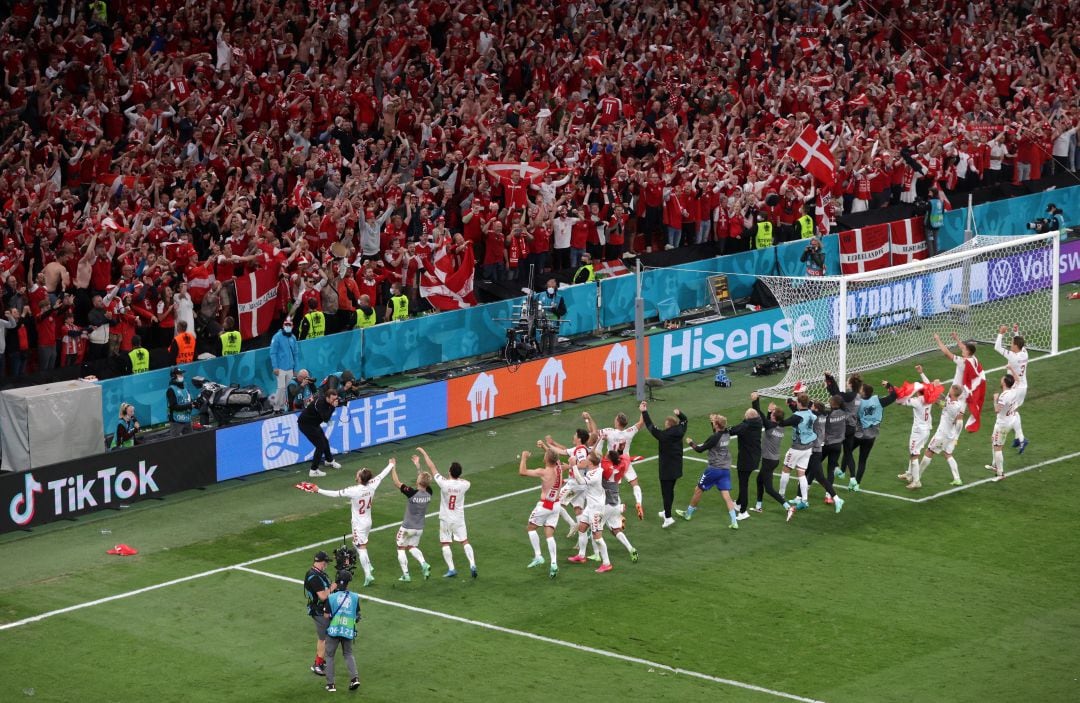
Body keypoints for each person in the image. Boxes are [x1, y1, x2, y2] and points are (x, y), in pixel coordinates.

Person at [308, 460, 396, 587]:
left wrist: (318, 490)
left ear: (360, 478)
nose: (356, 473)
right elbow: (382, 475)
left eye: (358, 473)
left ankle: (368, 574)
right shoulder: (372, 484)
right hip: (368, 521)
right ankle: (369, 566)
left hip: (358, 523)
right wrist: (391, 464)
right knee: (356, 543)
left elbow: (335, 494)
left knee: (361, 548)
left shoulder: (354, 490)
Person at [414, 447, 477, 579]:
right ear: (459, 473)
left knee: (445, 543)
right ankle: (472, 564)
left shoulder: (444, 483)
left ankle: (452, 569)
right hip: (459, 518)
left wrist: (425, 453)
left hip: (445, 518)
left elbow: (432, 468)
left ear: (449, 471)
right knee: (465, 541)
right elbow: (464, 481)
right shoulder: (465, 485)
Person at [677, 414, 739, 530]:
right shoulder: (726, 433)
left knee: (698, 490)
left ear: (716, 425)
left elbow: (700, 449)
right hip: (725, 470)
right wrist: (713, 421)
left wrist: (691, 442)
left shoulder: (714, 438)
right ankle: (734, 521)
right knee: (726, 495)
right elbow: (717, 433)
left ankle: (688, 514)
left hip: (713, 469)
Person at [583, 410, 646, 519]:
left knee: (611, 487)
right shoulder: (629, 432)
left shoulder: (609, 432)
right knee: (635, 483)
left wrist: (588, 418)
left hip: (611, 463)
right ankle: (639, 502)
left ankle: (618, 511)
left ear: (617, 422)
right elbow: (641, 422)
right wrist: (642, 410)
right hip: (625, 461)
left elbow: (593, 432)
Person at [914, 364, 967, 487]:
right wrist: (924, 375)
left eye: (951, 390)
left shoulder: (950, 405)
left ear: (953, 393)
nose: (949, 390)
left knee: (929, 452)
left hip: (942, 434)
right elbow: (940, 396)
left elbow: (936, 398)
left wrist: (935, 385)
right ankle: (957, 478)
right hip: (950, 434)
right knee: (947, 454)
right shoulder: (957, 403)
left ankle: (917, 478)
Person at [641, 400, 687, 528]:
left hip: (666, 469)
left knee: (666, 493)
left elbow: (651, 427)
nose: (664, 425)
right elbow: (685, 420)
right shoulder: (680, 430)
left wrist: (644, 412)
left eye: (665, 424)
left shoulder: (664, 436)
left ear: (668, 425)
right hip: (676, 468)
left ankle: (668, 518)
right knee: (670, 491)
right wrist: (680, 414)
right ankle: (666, 511)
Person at [565, 452, 613, 573]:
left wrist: (573, 465)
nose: (584, 461)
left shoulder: (595, 474)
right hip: (590, 507)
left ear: (591, 463)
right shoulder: (597, 468)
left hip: (597, 509)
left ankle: (607, 563)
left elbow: (581, 481)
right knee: (582, 528)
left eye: (587, 459)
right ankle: (581, 555)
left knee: (597, 537)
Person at [519, 448, 563, 579]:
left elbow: (522, 472)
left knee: (531, 527)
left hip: (545, 505)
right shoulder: (559, 468)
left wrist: (524, 457)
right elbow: (558, 460)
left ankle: (538, 556)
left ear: (547, 459)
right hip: (556, 504)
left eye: (545, 455)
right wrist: (546, 448)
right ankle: (554, 563)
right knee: (549, 534)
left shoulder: (543, 472)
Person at [750, 394, 797, 513]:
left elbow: (759, 415)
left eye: (772, 414)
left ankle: (787, 507)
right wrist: (770, 411)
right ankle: (758, 506)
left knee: (769, 489)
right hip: (773, 460)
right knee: (759, 480)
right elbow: (767, 423)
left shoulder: (771, 425)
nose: (770, 415)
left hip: (768, 460)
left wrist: (756, 400)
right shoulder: (780, 426)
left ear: (774, 417)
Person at [775, 393, 817, 521]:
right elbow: (799, 417)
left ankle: (781, 494)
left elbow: (783, 423)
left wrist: (776, 414)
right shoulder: (811, 414)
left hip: (797, 448)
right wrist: (792, 407)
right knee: (801, 473)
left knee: (786, 469)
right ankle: (804, 500)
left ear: (799, 403)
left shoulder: (797, 416)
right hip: (808, 446)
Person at [894, 378, 942, 487]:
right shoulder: (930, 398)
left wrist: (901, 392)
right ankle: (909, 474)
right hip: (926, 430)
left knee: (914, 454)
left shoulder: (917, 400)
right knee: (914, 451)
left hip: (918, 431)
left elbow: (900, 402)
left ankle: (916, 481)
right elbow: (932, 388)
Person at [390, 461, 433, 582]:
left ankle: (406, 574)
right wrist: (418, 467)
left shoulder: (411, 493)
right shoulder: (429, 493)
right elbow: (424, 482)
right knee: (412, 546)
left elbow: (396, 482)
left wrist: (392, 467)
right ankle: (423, 563)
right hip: (419, 528)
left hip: (407, 527)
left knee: (400, 548)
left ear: (418, 481)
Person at [850, 382, 898, 490]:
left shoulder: (858, 403)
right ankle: (857, 484)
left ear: (864, 392)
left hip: (859, 434)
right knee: (863, 460)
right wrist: (889, 385)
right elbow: (894, 396)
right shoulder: (879, 401)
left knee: (848, 452)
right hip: (871, 436)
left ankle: (848, 475)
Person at [323, 569, 361, 693]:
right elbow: (357, 615)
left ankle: (331, 685)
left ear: (337, 582)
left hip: (333, 631)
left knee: (329, 656)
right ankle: (354, 678)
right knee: (348, 654)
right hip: (348, 631)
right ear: (348, 583)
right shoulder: (355, 597)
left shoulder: (332, 597)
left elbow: (326, 615)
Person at [994, 324, 1029, 453]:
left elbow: (997, 347)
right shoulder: (1025, 353)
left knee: (1012, 412)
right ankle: (1018, 438)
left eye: (1012, 343)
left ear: (1015, 346)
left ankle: (1021, 438)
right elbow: (1021, 343)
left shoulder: (1012, 356)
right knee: (1014, 411)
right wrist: (1016, 332)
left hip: (1016, 387)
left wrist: (1001, 333)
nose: (1010, 344)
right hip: (1023, 385)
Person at [599, 449, 638, 563]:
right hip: (615, 504)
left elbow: (598, 462)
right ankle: (631, 548)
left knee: (595, 530)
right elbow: (625, 458)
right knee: (615, 529)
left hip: (606, 506)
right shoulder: (621, 465)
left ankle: (597, 555)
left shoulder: (605, 469)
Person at [303, 550, 335, 677]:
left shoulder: (318, 573)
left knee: (325, 638)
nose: (326, 565)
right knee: (324, 639)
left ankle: (320, 662)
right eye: (326, 563)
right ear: (321, 562)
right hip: (318, 611)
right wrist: (334, 586)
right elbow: (322, 596)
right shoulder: (313, 576)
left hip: (322, 609)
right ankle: (317, 664)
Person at [728, 405, 763, 519]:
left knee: (743, 485)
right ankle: (738, 503)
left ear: (747, 417)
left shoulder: (745, 426)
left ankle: (743, 511)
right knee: (744, 482)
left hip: (746, 460)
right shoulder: (758, 423)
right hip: (755, 458)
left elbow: (731, 431)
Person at [298, 388, 342, 478]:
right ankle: (313, 470)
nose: (335, 401)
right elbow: (326, 419)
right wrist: (333, 407)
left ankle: (329, 461)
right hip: (306, 425)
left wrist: (339, 403)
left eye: (336, 399)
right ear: (327, 397)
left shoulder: (329, 401)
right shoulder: (321, 404)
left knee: (325, 441)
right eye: (333, 399)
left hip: (314, 424)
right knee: (320, 445)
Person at [986, 372, 1022, 481]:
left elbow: (997, 410)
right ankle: (995, 465)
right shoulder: (1014, 390)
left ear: (1005, 383)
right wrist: (1011, 369)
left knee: (998, 447)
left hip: (1002, 425)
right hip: (1009, 420)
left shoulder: (1004, 396)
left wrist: (995, 399)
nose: (1000, 380)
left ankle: (1001, 473)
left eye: (1002, 379)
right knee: (993, 440)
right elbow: (1018, 381)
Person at [270, 319, 300, 412]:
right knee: (281, 387)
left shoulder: (293, 338)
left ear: (292, 326)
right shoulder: (277, 337)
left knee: (284, 389)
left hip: (290, 368)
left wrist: (296, 368)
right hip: (280, 368)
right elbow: (273, 352)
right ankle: (276, 408)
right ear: (283, 325)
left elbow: (296, 353)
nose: (287, 326)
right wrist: (275, 367)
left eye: (289, 325)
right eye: (286, 324)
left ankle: (282, 406)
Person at [166, 367, 194, 436]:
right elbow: (173, 406)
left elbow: (189, 400)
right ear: (173, 376)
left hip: (187, 418)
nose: (182, 375)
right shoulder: (171, 389)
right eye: (179, 374)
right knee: (175, 443)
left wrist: (194, 403)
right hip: (176, 421)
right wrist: (189, 405)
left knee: (191, 441)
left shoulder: (185, 387)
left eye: (181, 374)